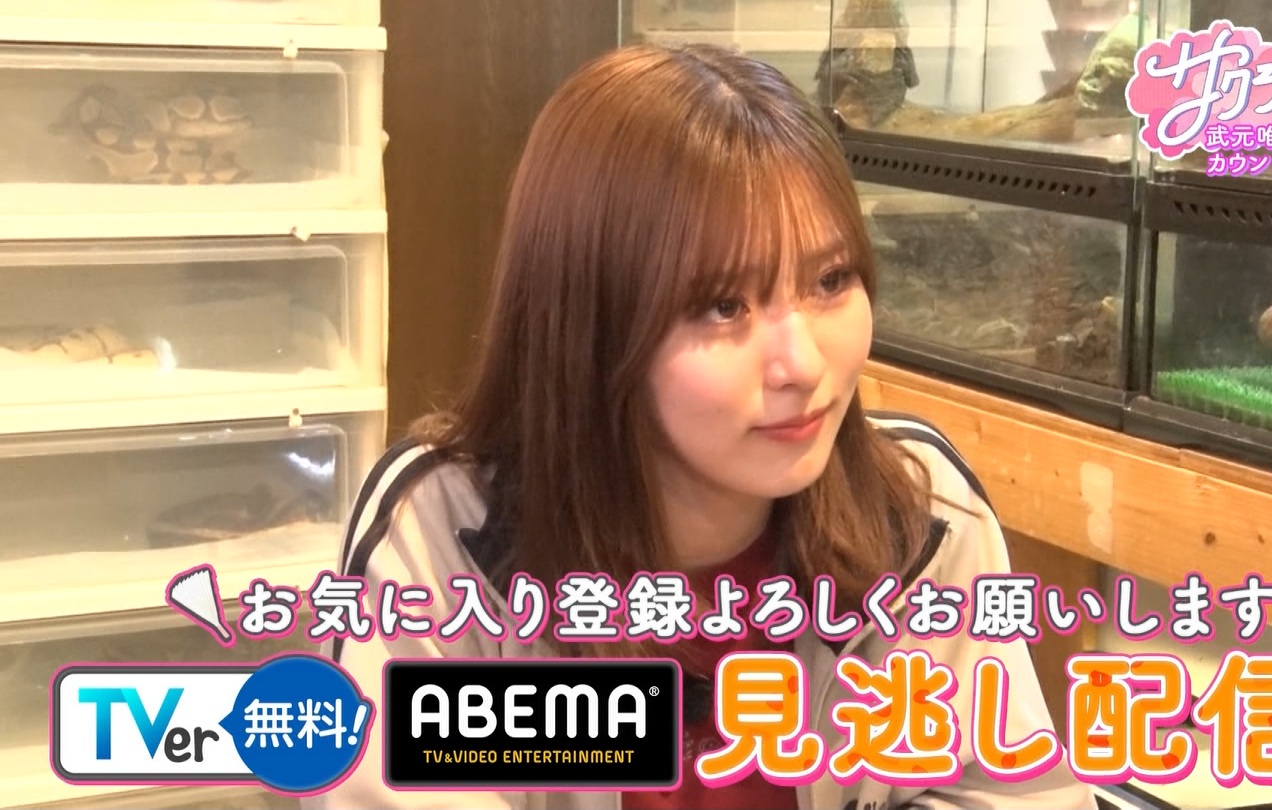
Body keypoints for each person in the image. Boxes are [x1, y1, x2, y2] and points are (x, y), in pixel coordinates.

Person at [306, 41, 1096, 810]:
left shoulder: (919, 520)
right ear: (591, 325)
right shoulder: (444, 541)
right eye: (724, 306)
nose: (802, 365)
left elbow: (1003, 788)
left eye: (830, 280)